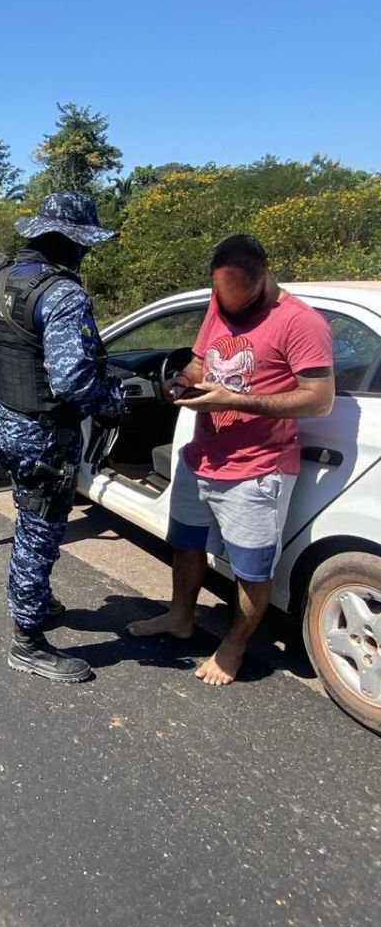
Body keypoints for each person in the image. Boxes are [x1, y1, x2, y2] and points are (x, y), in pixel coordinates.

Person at [130, 233, 334, 684]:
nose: (228, 308)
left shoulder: (301, 322)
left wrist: (237, 401)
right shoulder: (220, 303)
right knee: (185, 544)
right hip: (203, 457)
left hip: (257, 470)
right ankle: (179, 617)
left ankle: (234, 646)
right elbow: (202, 362)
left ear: (264, 276)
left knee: (251, 568)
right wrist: (181, 383)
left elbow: (319, 399)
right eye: (222, 297)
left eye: (239, 299)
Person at [0, 192, 125, 683]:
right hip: (43, 436)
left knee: (29, 519)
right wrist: (117, 403)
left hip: (7, 422)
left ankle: (34, 596)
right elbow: (73, 381)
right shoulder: (62, 295)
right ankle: (28, 640)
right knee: (39, 531)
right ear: (70, 242)